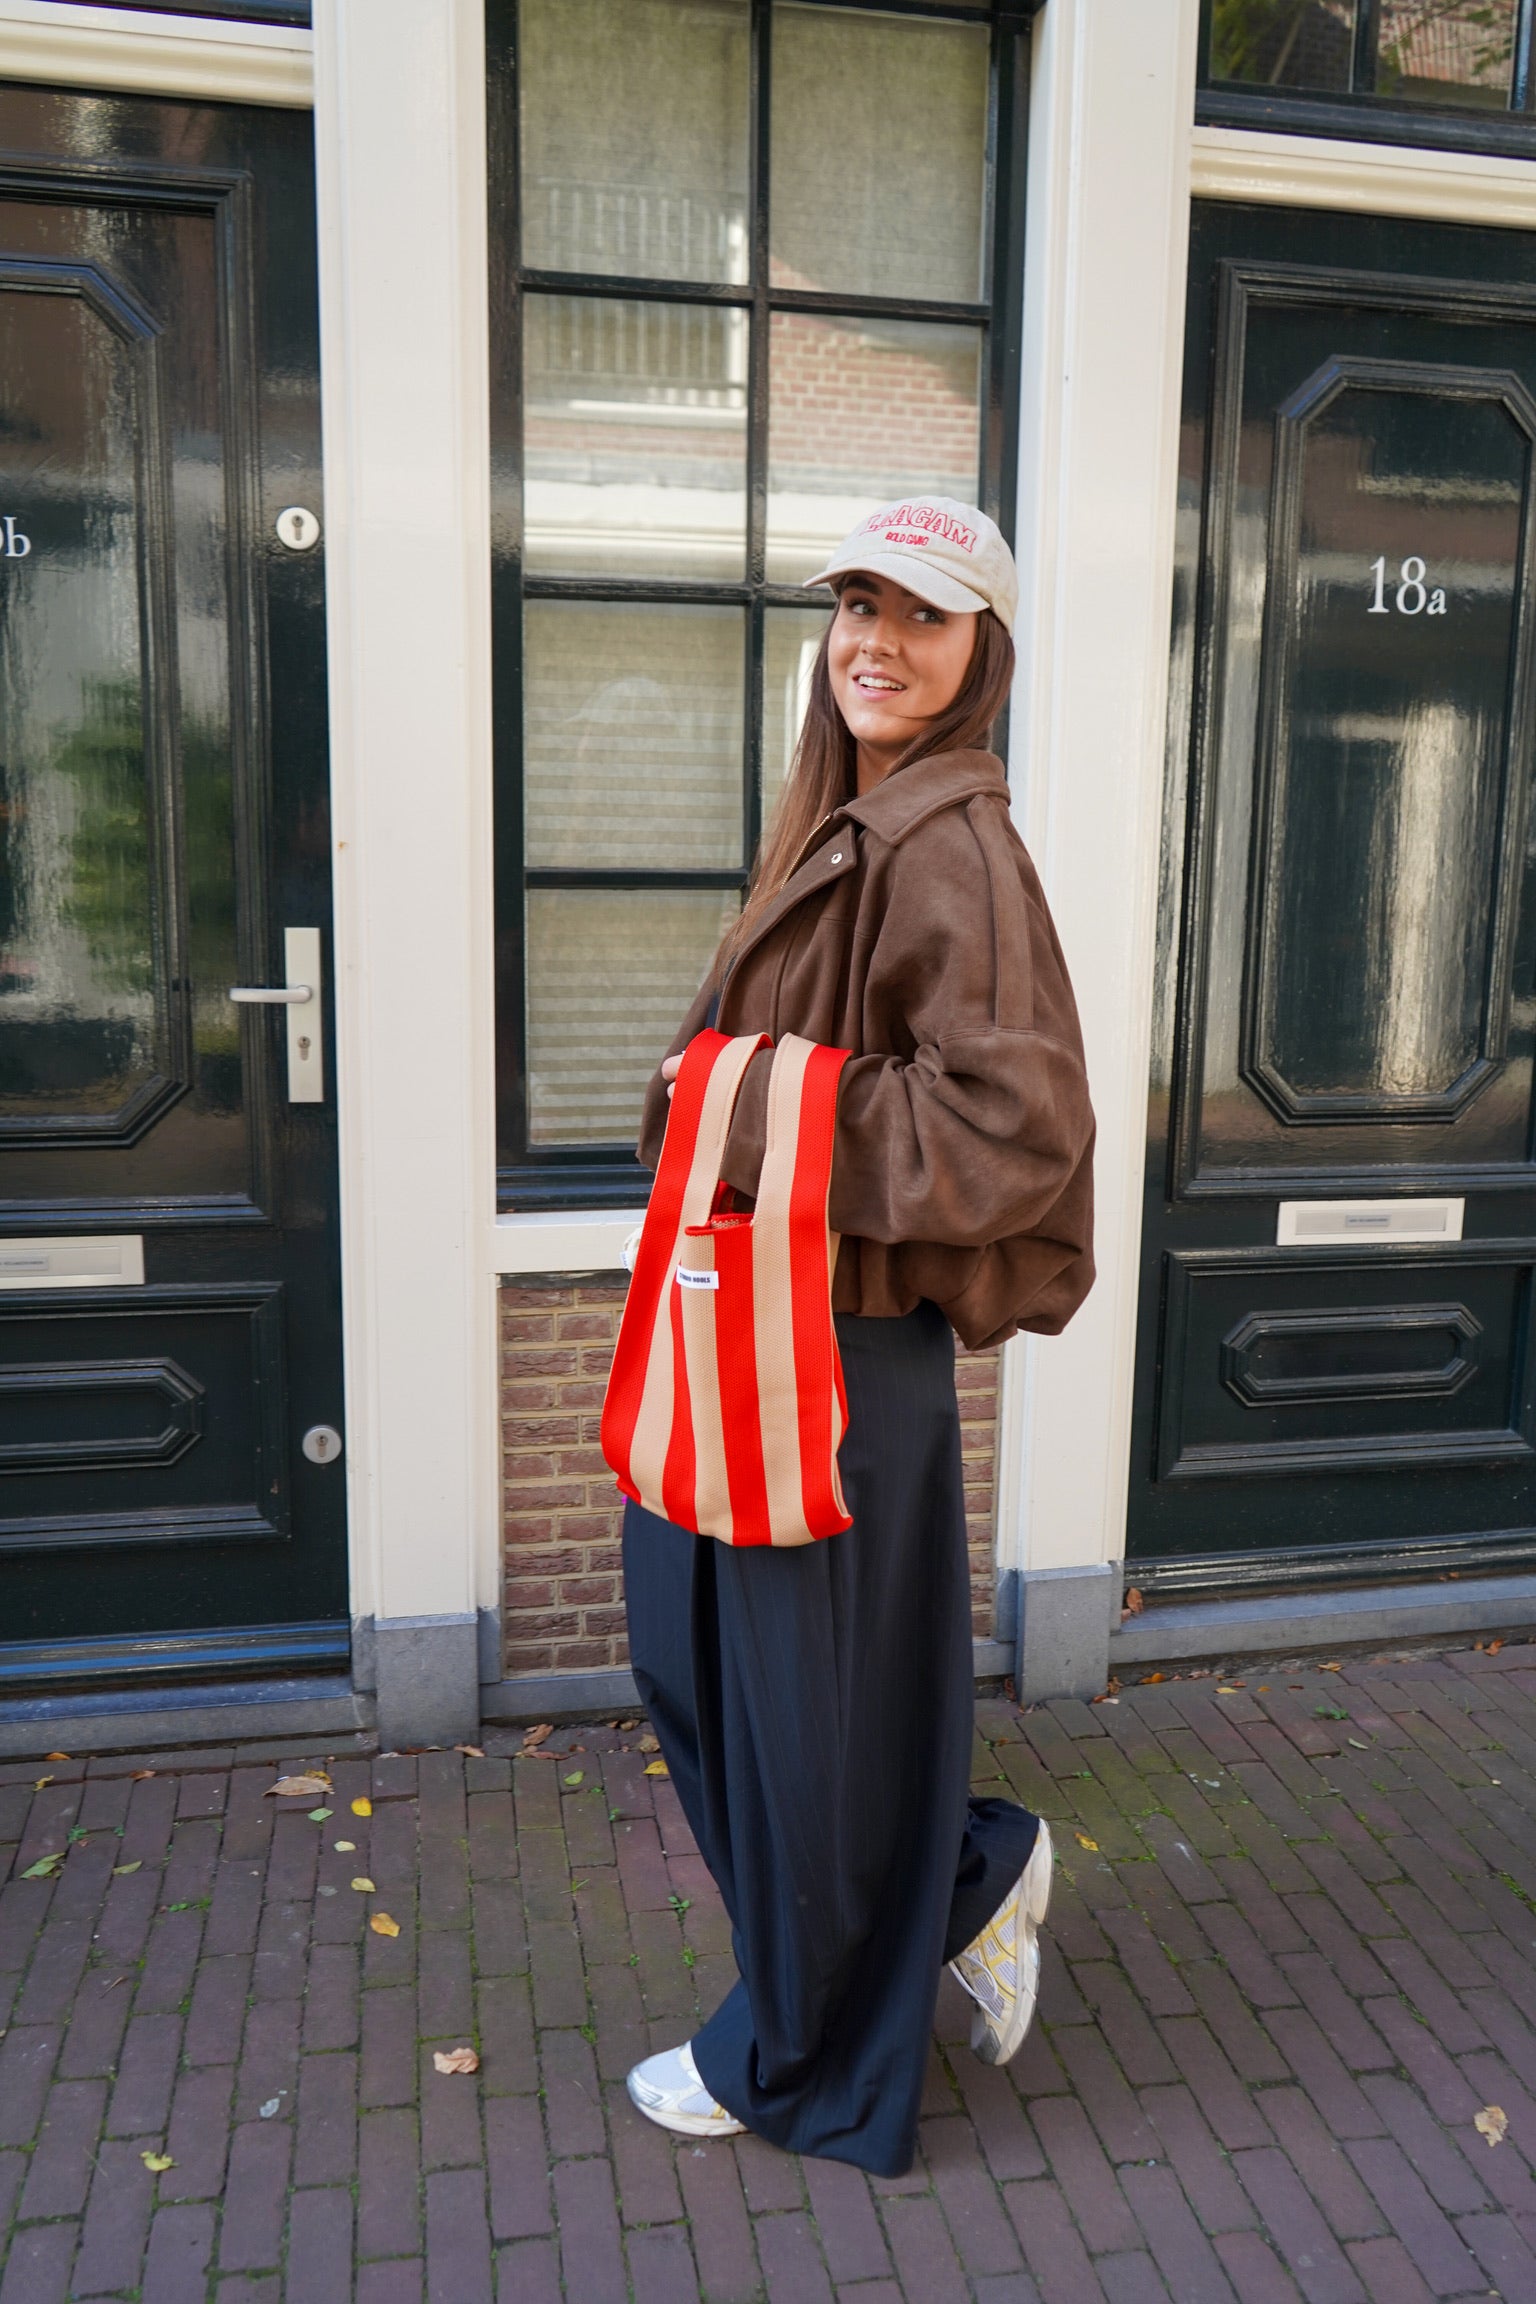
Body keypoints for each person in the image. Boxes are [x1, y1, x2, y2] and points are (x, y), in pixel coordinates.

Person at [620, 496, 1095, 2177]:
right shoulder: (850, 811)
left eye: (921, 615)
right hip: (756, 1329)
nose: (875, 643)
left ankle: (800, 2061)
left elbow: (1016, 1127)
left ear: (983, 652)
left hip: (833, 1357)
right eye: (855, 608)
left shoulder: (950, 840)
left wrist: (743, 1106)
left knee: (804, 1737)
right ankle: (964, 1875)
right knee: (714, 1676)